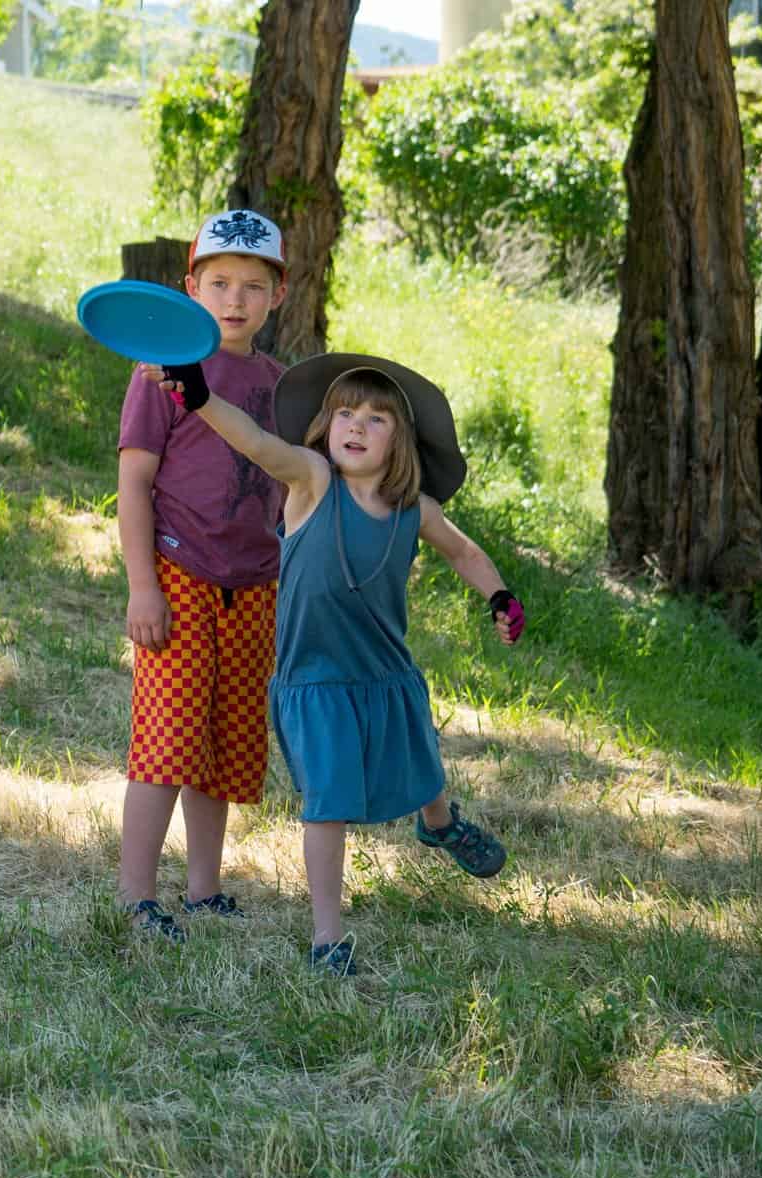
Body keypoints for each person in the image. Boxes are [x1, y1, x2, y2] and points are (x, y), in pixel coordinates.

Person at [144, 352, 525, 976]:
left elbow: (463, 550)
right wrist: (201, 397)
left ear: (401, 440)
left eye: (376, 419)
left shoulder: (412, 510)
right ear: (325, 424)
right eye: (345, 413)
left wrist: (500, 597)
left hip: (385, 671)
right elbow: (260, 442)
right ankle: (328, 938)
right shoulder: (313, 481)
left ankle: (440, 824)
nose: (356, 425)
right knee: (329, 801)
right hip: (315, 683)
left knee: (421, 761)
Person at [114, 208, 292, 943]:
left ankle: (203, 890)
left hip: (253, 585)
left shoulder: (283, 387)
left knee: (222, 745)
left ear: (278, 296)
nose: (235, 300)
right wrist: (142, 586)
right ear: (190, 286)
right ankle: (133, 895)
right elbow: (134, 483)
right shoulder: (162, 369)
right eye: (219, 282)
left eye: (253, 286)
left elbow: (297, 481)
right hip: (180, 572)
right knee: (168, 740)